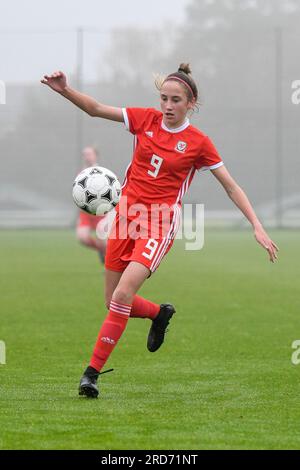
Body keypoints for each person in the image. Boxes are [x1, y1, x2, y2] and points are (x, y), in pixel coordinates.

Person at [41, 63, 279, 399]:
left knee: (122, 296)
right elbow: (95, 109)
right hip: (125, 217)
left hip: (158, 224)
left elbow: (230, 186)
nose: (167, 106)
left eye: (175, 100)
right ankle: (158, 313)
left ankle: (90, 375)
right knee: (112, 301)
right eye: (164, 98)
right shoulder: (145, 120)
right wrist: (65, 90)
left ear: (190, 103)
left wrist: (257, 225)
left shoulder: (198, 143)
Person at [76, 146, 107, 265]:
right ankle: (102, 250)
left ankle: (109, 263)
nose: (87, 156)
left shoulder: (102, 172)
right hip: (85, 213)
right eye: (85, 154)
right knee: (82, 238)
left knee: (103, 239)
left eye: (89, 154)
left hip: (101, 212)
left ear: (95, 155)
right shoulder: (81, 173)